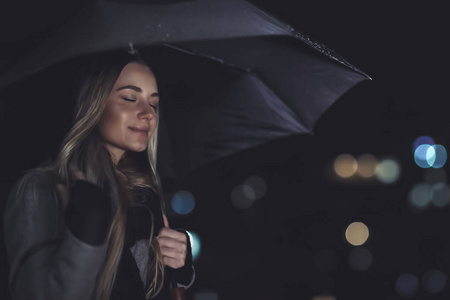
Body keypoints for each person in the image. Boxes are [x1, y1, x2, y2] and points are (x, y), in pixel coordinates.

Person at [3, 50, 195, 300]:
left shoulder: (144, 200)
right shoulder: (39, 189)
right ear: (94, 102)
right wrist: (85, 239)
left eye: (154, 103)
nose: (148, 113)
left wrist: (176, 270)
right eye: (129, 97)